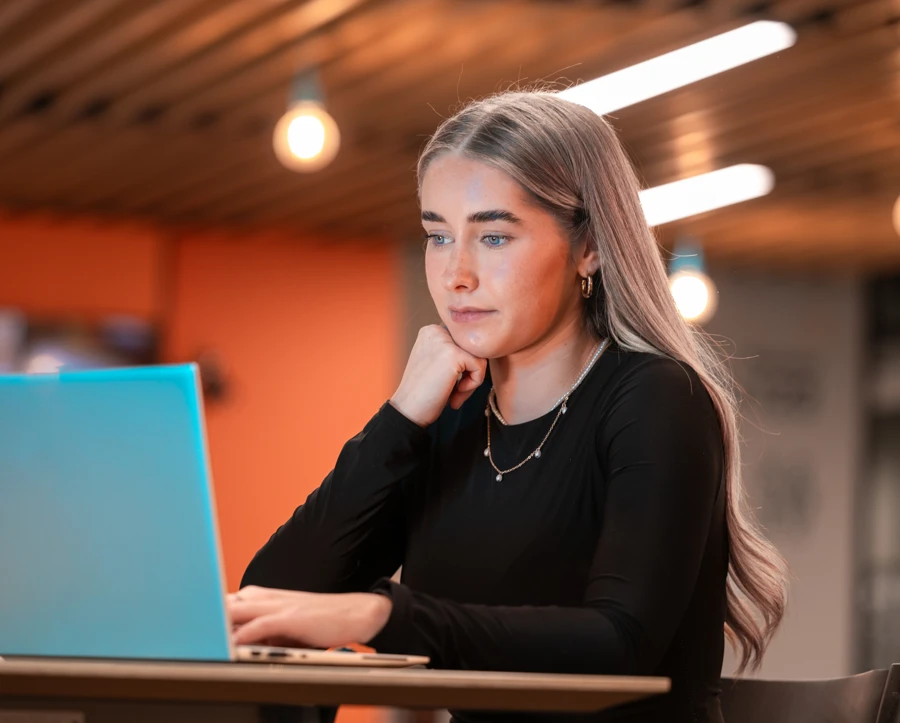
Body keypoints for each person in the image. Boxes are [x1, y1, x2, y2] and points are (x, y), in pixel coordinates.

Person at [228, 91, 788, 722]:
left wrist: (385, 614)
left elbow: (619, 646)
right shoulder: (451, 418)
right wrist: (401, 418)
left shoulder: (657, 400)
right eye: (438, 236)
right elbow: (272, 597)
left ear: (589, 247)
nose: (455, 274)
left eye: (493, 236)